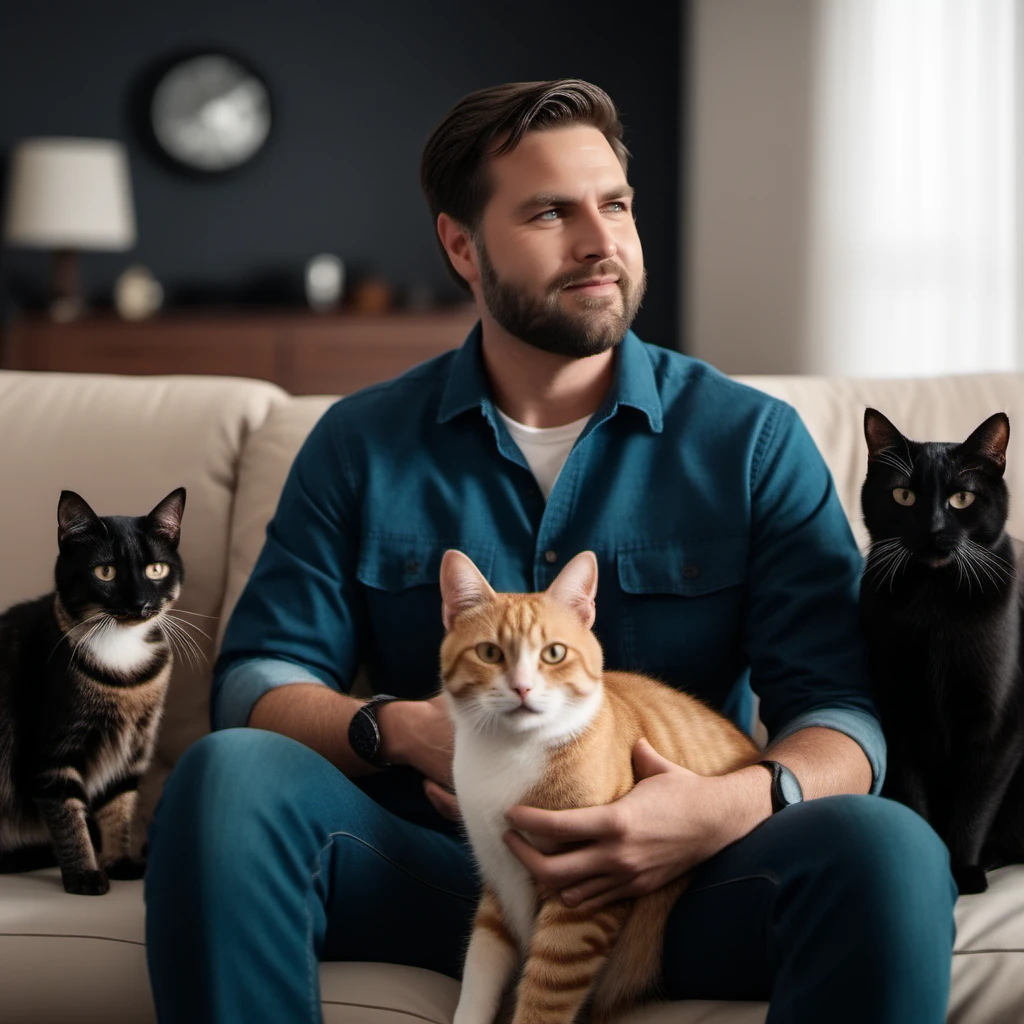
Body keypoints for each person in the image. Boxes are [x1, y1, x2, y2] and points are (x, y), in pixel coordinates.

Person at [144, 79, 957, 1024]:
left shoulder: (751, 442)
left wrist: (724, 808)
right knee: (223, 778)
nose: (599, 240)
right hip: (438, 875)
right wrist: (396, 730)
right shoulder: (361, 444)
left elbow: (842, 717)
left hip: (684, 884)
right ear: (462, 245)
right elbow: (256, 681)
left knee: (889, 849)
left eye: (614, 205)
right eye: (549, 212)